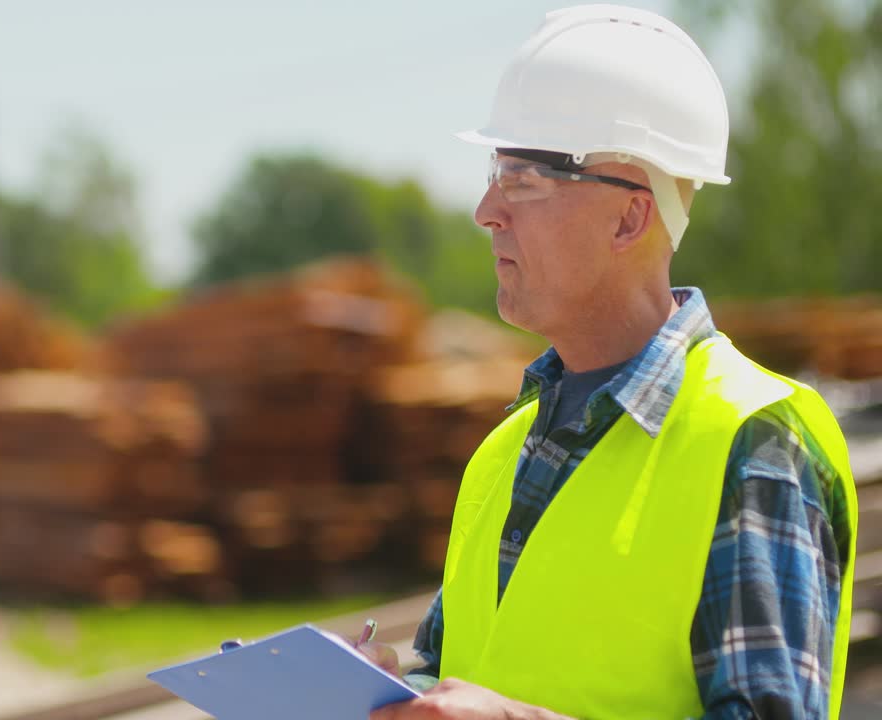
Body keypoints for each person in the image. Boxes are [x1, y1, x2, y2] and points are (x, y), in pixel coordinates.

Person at [360, 5, 858, 719]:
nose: (485, 210)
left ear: (630, 217)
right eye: (495, 170)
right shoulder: (504, 453)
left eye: (526, 176)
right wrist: (389, 697)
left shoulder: (752, 444)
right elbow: (476, 676)